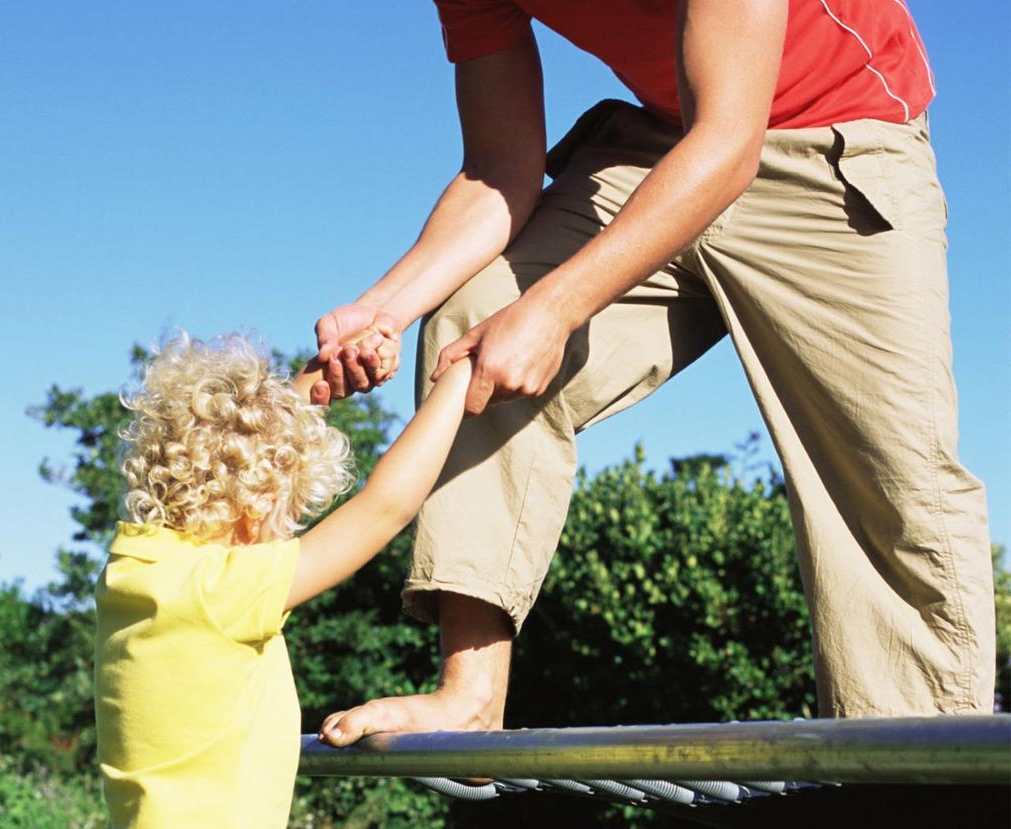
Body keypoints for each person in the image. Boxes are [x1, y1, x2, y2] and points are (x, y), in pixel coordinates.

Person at [312, 0, 996, 747]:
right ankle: (471, 694)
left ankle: (927, 771)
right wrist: (383, 309)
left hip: (832, 142)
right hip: (660, 146)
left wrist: (558, 307)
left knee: (891, 475)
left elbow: (731, 142)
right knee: (477, 323)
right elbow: (499, 169)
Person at [85, 331, 469, 829]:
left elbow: (224, 451)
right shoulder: (226, 591)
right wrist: (457, 382)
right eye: (288, 511)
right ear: (258, 503)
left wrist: (295, 396)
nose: (288, 532)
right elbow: (384, 510)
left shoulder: (136, 566)